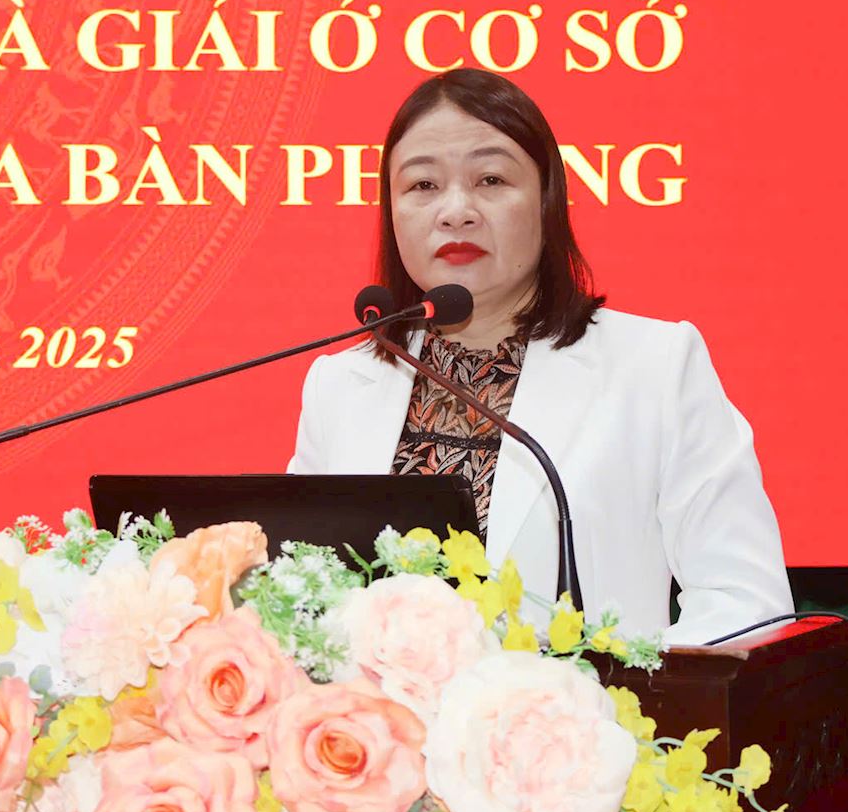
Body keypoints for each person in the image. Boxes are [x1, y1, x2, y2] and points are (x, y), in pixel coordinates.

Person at [287, 68, 792, 646]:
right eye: (423, 185)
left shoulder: (654, 368)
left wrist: (613, 688)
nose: (456, 210)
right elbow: (300, 603)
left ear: (547, 201)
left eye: (491, 179)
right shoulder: (339, 386)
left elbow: (748, 605)